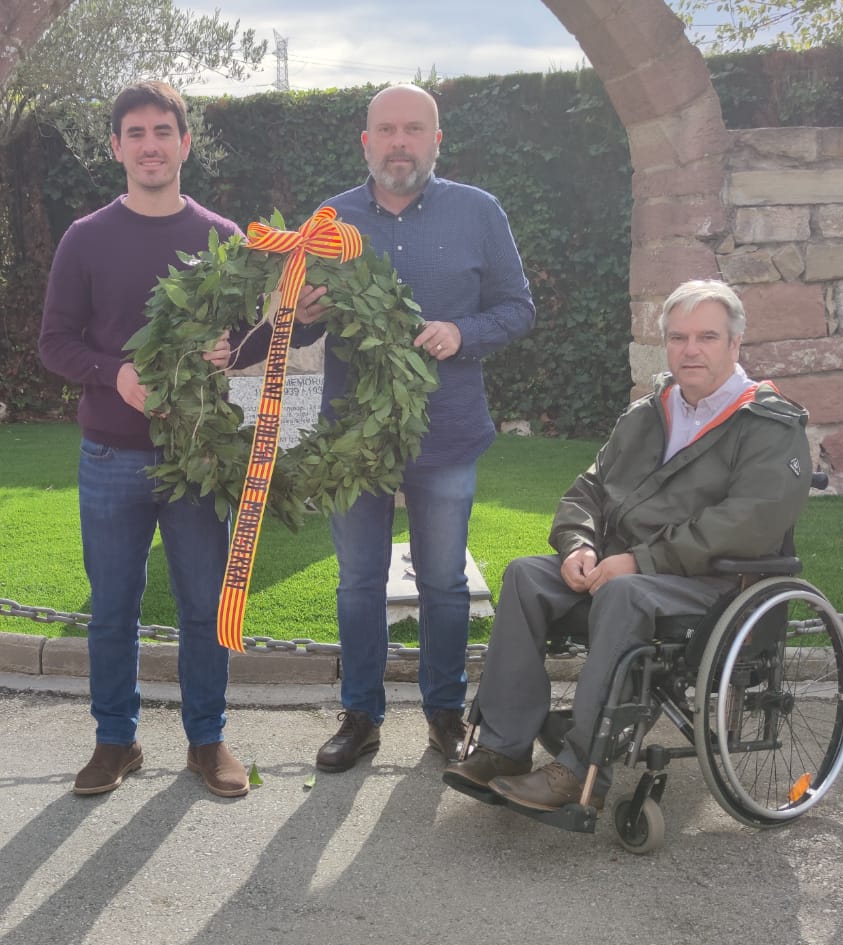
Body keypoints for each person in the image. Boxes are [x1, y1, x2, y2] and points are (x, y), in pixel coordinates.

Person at [443, 279, 812, 814]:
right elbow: (589, 487)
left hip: (713, 584)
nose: (691, 349)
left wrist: (640, 561)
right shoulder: (649, 412)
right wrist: (577, 544)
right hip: (627, 570)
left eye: (707, 336)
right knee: (527, 575)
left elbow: (748, 523)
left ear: (735, 344)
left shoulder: (768, 424)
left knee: (626, 594)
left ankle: (578, 770)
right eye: (679, 337)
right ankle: (502, 747)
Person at [39, 80, 289, 799]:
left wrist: (233, 349)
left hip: (198, 456)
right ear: (117, 147)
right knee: (112, 605)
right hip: (111, 454)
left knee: (203, 605)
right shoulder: (85, 238)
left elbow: (256, 337)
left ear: (185, 143)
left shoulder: (224, 238)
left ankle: (207, 741)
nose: (150, 145)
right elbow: (54, 343)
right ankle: (115, 740)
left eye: (163, 131)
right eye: (136, 133)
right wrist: (112, 374)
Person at [297, 84, 536, 773]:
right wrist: (305, 311)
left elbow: (518, 308)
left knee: (443, 581)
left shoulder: (479, 212)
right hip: (353, 437)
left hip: (446, 429)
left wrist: (463, 331)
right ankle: (360, 716)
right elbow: (291, 317)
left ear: (436, 141)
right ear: (366, 142)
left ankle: (443, 712)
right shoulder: (328, 221)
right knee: (358, 580)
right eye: (387, 130)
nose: (400, 142)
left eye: (414, 130)